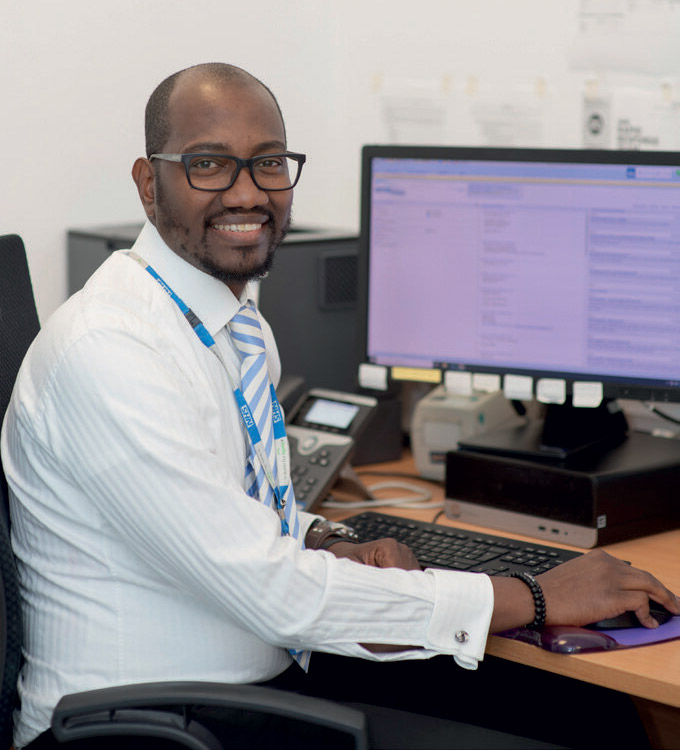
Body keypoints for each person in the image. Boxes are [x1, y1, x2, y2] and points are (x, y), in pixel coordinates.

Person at [2, 62, 678, 750]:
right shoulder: (110, 350)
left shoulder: (231, 328)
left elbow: (236, 516)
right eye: (210, 164)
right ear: (150, 185)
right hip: (133, 728)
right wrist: (533, 597)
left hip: (237, 685)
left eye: (268, 163)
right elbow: (274, 592)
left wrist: (324, 539)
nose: (247, 191)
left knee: (589, 713)